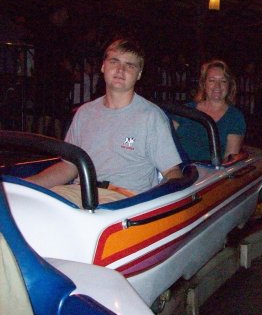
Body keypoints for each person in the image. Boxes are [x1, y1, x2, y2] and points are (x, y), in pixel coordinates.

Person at [27, 38, 183, 206]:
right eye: (114, 61)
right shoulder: (84, 113)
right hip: (77, 192)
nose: (120, 69)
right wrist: (24, 185)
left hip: (121, 200)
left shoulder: (151, 117)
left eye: (130, 65)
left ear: (139, 74)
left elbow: (172, 172)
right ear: (103, 66)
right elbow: (68, 167)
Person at [172, 59, 246, 162]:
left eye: (223, 81)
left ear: (229, 85)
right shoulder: (185, 110)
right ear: (203, 84)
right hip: (179, 170)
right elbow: (165, 143)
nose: (217, 86)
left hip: (211, 174)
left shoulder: (235, 117)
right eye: (212, 80)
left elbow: (229, 160)